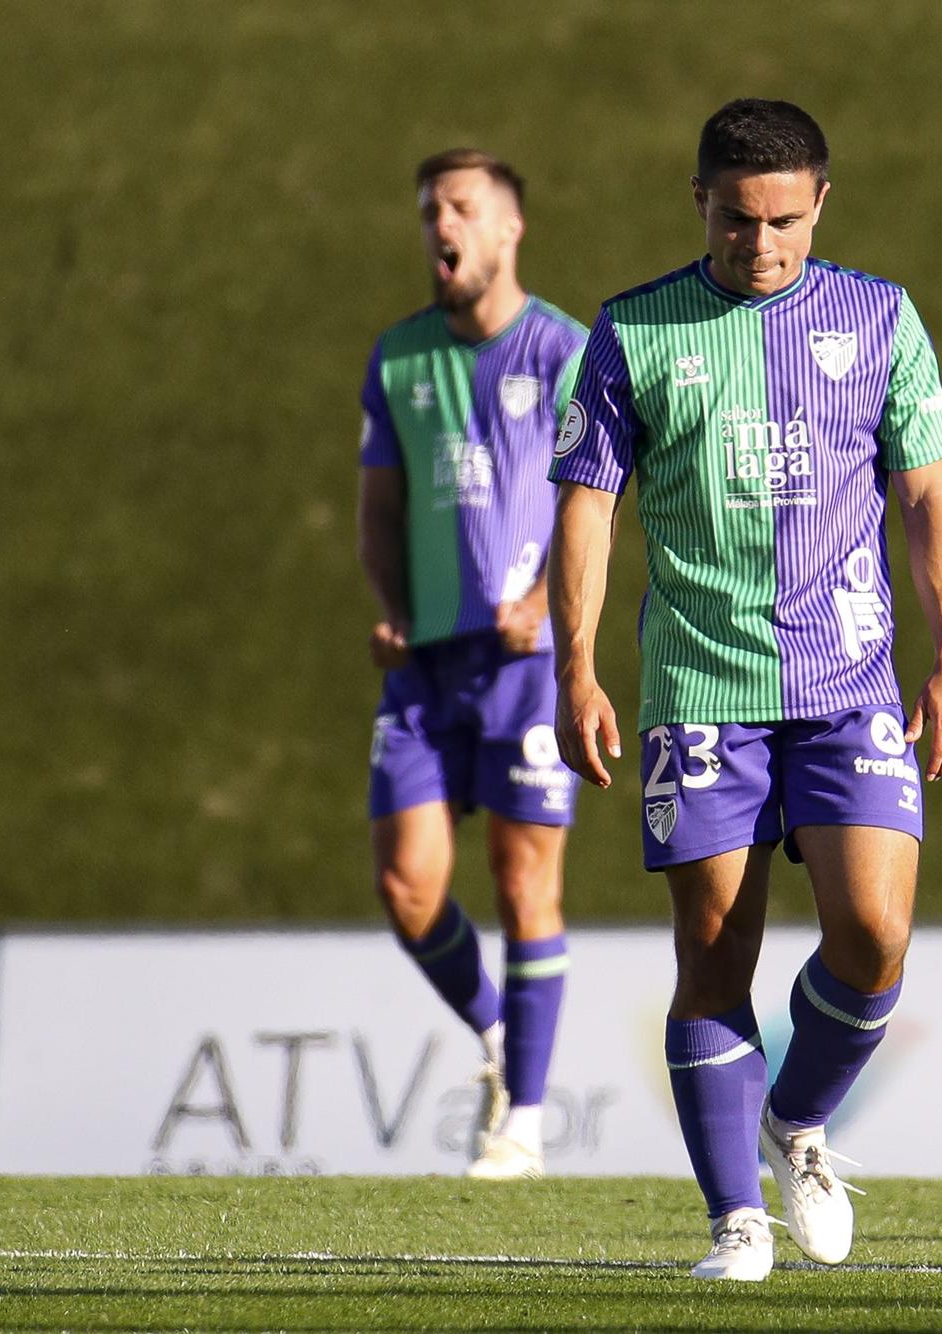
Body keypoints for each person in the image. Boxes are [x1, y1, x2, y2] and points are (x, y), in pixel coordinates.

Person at [547, 100, 942, 1279]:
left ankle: (796, 1122)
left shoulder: (880, 318)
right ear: (699, 205)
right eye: (738, 220)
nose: (761, 244)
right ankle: (734, 1219)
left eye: (784, 219)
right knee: (712, 950)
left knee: (875, 932)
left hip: (848, 680)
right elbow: (587, 503)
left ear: (821, 204)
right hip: (700, 687)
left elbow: (927, 492)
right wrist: (574, 663)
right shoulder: (634, 331)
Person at [358, 148, 586, 1181]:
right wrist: (395, 608)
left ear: (506, 230)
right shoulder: (398, 358)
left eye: (459, 208)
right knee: (408, 885)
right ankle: (501, 1039)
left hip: (526, 663)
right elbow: (380, 504)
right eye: (427, 212)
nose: (438, 228)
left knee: (521, 878)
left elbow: (596, 500)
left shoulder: (567, 351)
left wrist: (546, 602)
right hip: (426, 667)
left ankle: (523, 1122)